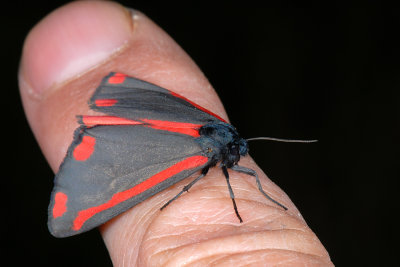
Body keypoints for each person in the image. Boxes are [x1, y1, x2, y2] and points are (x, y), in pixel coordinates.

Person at [19, 1, 332, 266]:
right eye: (237, 151)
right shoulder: (210, 154)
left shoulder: (212, 121)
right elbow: (214, 174)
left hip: (140, 110)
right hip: (161, 142)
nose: (239, 156)